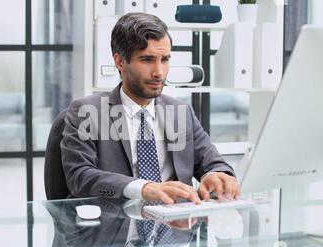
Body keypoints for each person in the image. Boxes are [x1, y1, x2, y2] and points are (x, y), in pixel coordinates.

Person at [61, 12, 240, 205]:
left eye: (164, 59)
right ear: (120, 62)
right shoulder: (87, 112)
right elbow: (79, 176)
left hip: (176, 226)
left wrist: (216, 174)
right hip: (115, 228)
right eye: (147, 60)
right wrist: (144, 188)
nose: (159, 72)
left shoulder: (180, 111)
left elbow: (213, 161)